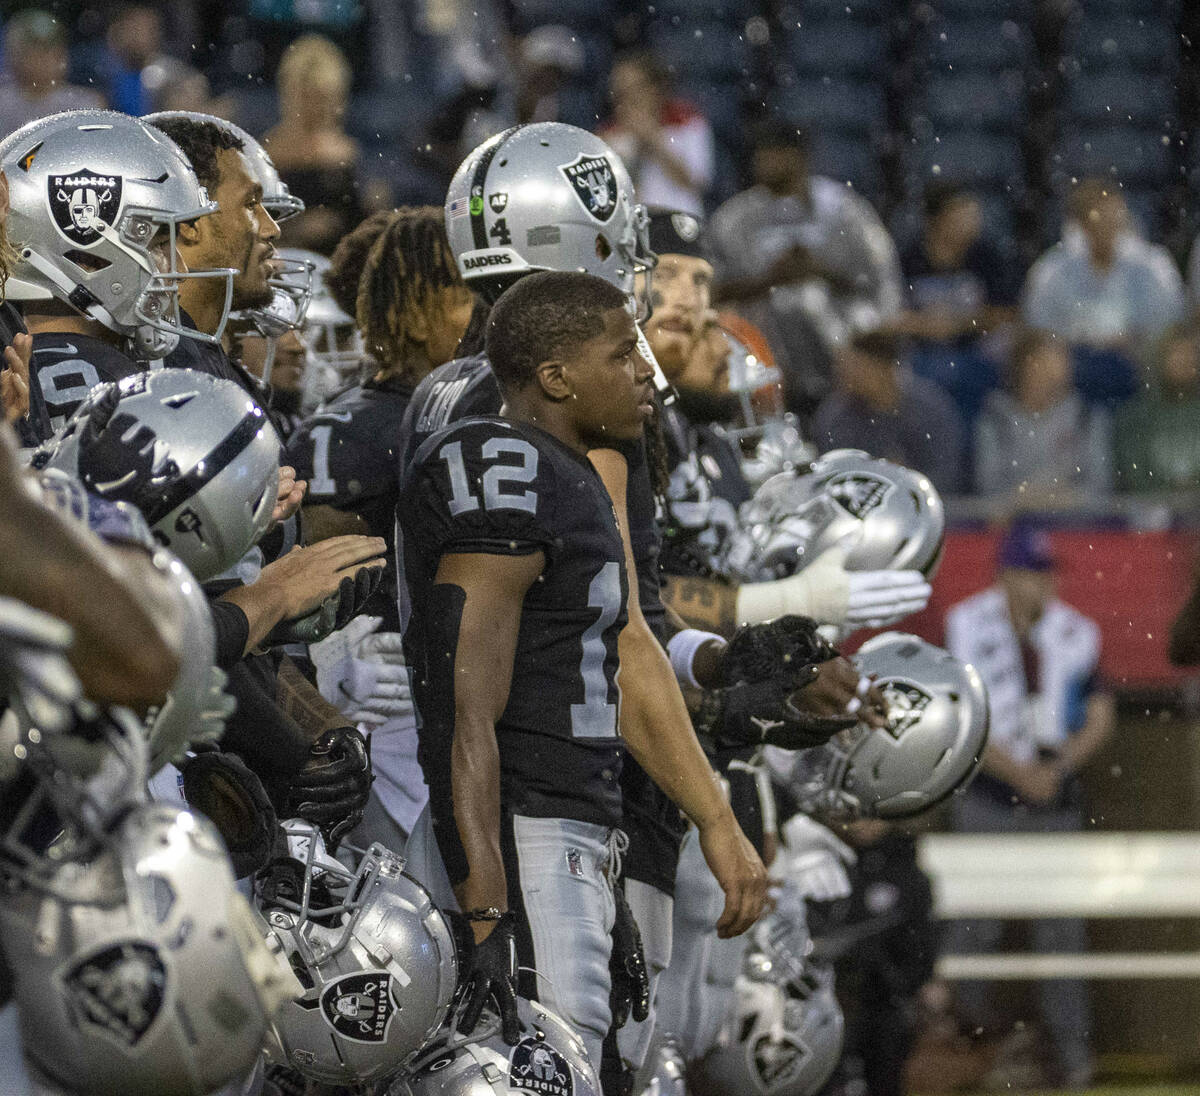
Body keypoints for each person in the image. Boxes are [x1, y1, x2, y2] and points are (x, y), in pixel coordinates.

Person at [397, 270, 767, 1072]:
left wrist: (714, 819)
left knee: (593, 1066)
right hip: (520, 828)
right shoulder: (504, 469)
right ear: (557, 377)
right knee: (541, 1074)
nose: (644, 367)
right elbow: (466, 713)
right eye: (621, 350)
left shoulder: (577, 475)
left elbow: (626, 660)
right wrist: (489, 912)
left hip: (572, 826)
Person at [288, 207, 474, 850]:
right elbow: (297, 571)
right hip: (388, 723)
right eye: (466, 294)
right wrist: (333, 653)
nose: (484, 315)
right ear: (419, 311)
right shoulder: (363, 430)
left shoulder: (479, 418)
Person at [944, 522, 1115, 1090]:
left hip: (1055, 798)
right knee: (973, 931)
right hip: (989, 792)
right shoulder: (967, 625)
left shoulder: (1076, 632)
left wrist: (1057, 769)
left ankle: (1072, 1061)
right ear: (1004, 576)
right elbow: (957, 714)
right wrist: (1017, 771)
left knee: (1061, 936)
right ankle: (962, 1056)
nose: (1039, 584)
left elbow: (1100, 714)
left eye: (1046, 572)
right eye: (1028, 572)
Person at [709, 121, 903, 413]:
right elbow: (712, 291)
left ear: (799, 156)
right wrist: (771, 280)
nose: (765, 163)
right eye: (761, 155)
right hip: (763, 359)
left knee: (817, 300)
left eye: (775, 154)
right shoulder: (734, 219)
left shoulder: (845, 211)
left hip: (842, 359)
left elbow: (880, 283)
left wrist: (818, 270)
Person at [890, 181, 1020, 424]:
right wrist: (925, 325)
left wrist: (959, 323)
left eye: (974, 214)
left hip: (975, 352)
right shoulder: (907, 257)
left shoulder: (987, 255)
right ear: (936, 219)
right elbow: (889, 314)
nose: (973, 221)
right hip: (920, 353)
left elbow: (1006, 313)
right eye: (963, 214)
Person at [1022, 179, 1185, 371]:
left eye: (1113, 219)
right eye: (1100, 220)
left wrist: (1130, 341)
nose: (1108, 227)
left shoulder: (1153, 265)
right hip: (1073, 371)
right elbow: (1037, 331)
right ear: (1082, 225)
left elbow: (1171, 328)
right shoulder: (1052, 270)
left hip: (1139, 369)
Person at [811, 328, 965, 496]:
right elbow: (833, 476)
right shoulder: (835, 415)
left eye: (855, 366)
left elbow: (947, 473)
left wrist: (907, 483)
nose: (843, 373)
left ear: (883, 369)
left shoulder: (930, 409)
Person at [974, 328, 1111, 503]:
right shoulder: (995, 418)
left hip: (1075, 523)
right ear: (1022, 365)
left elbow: (1100, 485)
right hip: (1012, 523)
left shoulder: (1087, 416)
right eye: (1043, 360)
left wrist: (1062, 498)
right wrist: (1024, 498)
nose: (1053, 370)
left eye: (1060, 360)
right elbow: (988, 485)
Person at [263, 34, 369, 255]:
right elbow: (250, 227)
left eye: (322, 99)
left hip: (339, 266)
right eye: (307, 98)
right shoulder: (265, 156)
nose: (315, 108)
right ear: (289, 96)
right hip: (284, 265)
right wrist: (297, 229)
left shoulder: (350, 154)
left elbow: (360, 224)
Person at [601, 51, 715, 216]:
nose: (628, 100)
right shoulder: (608, 135)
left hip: (680, 223)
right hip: (632, 230)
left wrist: (653, 139)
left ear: (655, 88)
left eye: (635, 90)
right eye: (621, 93)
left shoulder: (688, 122)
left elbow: (696, 182)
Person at [1114, 324, 1200, 492]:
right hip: (1149, 512)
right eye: (1176, 353)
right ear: (1160, 358)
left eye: (1190, 354)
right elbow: (1134, 477)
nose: (1183, 361)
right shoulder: (1133, 415)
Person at [0, 11, 104, 138]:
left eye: (49, 52)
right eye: (33, 53)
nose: (42, 61)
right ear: (14, 56)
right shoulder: (3, 104)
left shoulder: (86, 105)